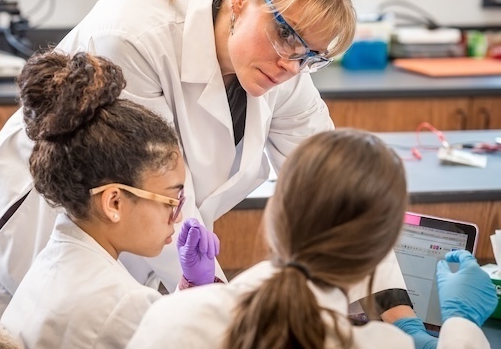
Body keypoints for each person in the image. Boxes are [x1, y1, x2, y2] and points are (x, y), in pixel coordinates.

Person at [0, 0, 416, 326]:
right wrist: (222, 316)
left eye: (312, 57)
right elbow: (154, 190)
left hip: (138, 245)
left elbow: (338, 187)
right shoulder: (133, 34)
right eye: (286, 37)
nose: (291, 66)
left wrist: (394, 306)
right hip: (43, 234)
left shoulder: (286, 69)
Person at [127, 129, 498, 349]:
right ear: (384, 250)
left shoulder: (172, 317)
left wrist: (198, 289)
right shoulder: (383, 345)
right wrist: (461, 325)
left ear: (274, 217)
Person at [0, 50, 220, 348]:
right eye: (171, 201)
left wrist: (192, 288)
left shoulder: (59, 260)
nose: (177, 217)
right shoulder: (122, 303)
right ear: (114, 202)